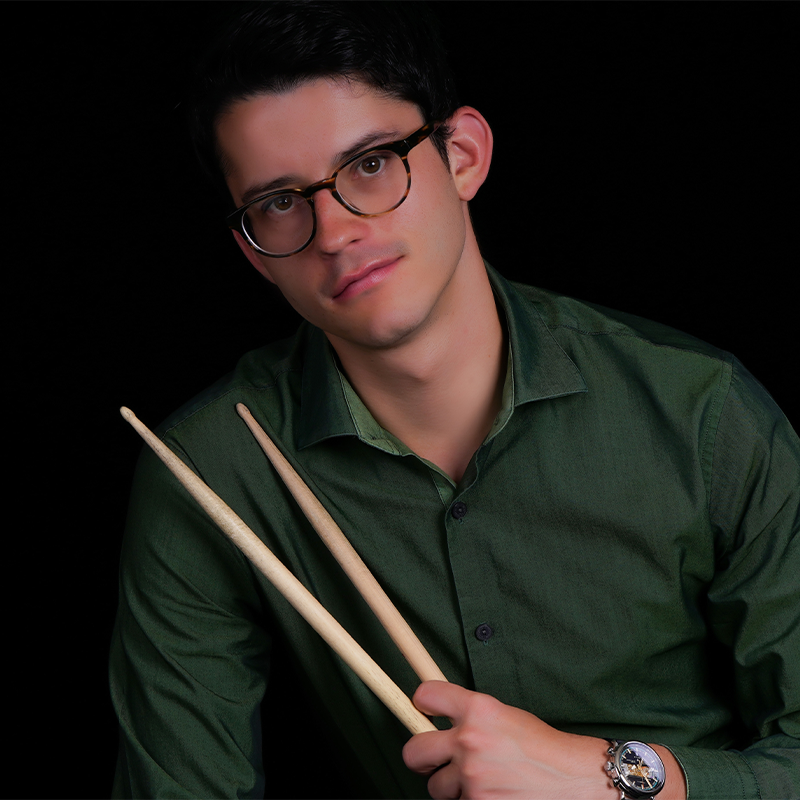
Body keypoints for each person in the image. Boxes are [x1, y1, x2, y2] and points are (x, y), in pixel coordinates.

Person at [109, 2, 799, 798]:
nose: (333, 231)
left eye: (369, 164)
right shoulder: (215, 468)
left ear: (463, 155)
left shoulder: (700, 411)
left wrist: (609, 776)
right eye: (281, 202)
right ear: (254, 252)